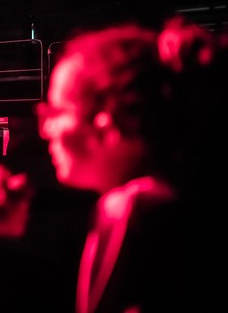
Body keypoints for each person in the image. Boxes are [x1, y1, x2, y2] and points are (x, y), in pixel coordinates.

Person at [36, 16, 228, 313]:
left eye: (57, 112)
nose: (45, 130)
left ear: (108, 121)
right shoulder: (189, 200)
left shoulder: (131, 209)